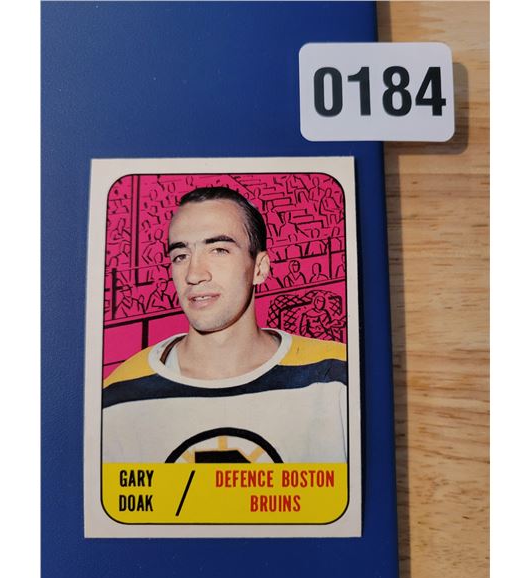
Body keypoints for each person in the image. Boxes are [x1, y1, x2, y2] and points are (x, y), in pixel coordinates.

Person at [102, 187, 347, 464]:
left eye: (219, 250)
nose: (194, 274)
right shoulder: (119, 398)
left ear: (259, 268)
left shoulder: (337, 378)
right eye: (181, 255)